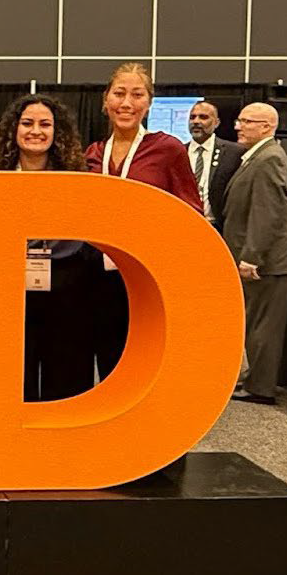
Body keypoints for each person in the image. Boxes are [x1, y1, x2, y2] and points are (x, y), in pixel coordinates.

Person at [85, 63, 201, 379]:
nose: (127, 103)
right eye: (119, 93)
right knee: (106, 361)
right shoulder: (92, 153)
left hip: (147, 274)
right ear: (105, 100)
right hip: (99, 277)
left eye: (137, 95)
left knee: (145, 360)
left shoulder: (168, 149)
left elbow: (190, 213)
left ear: (149, 103)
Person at [0, 95, 100, 401]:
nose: (35, 131)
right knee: (11, 378)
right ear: (14, 129)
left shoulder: (77, 179)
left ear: (56, 131)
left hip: (67, 289)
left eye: (45, 124)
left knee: (66, 377)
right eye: (27, 123)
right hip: (8, 290)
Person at [224, 103, 287, 405]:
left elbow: (267, 213)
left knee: (264, 327)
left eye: (246, 121)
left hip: (268, 263)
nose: (238, 126)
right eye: (240, 120)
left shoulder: (269, 159)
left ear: (267, 126)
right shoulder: (259, 156)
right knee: (257, 324)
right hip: (264, 260)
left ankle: (260, 388)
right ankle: (256, 380)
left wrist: (252, 257)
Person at [186, 100, 242, 227]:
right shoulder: (178, 152)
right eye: (192, 117)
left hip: (217, 226)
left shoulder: (234, 153)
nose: (196, 121)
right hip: (184, 223)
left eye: (203, 117)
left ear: (216, 123)